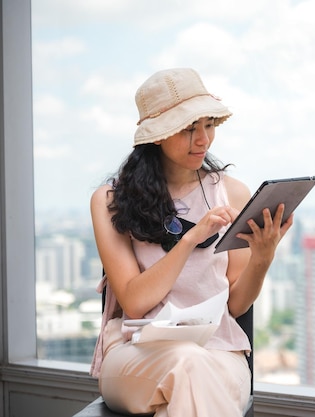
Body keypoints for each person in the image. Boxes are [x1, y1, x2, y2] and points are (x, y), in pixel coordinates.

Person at [89, 67, 293, 417]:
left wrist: (263, 256)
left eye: (209, 125)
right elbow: (135, 302)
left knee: (191, 380)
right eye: (188, 129)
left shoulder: (231, 192)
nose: (203, 140)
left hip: (219, 354)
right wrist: (190, 239)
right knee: (188, 363)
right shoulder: (111, 200)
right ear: (157, 136)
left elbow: (237, 305)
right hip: (135, 355)